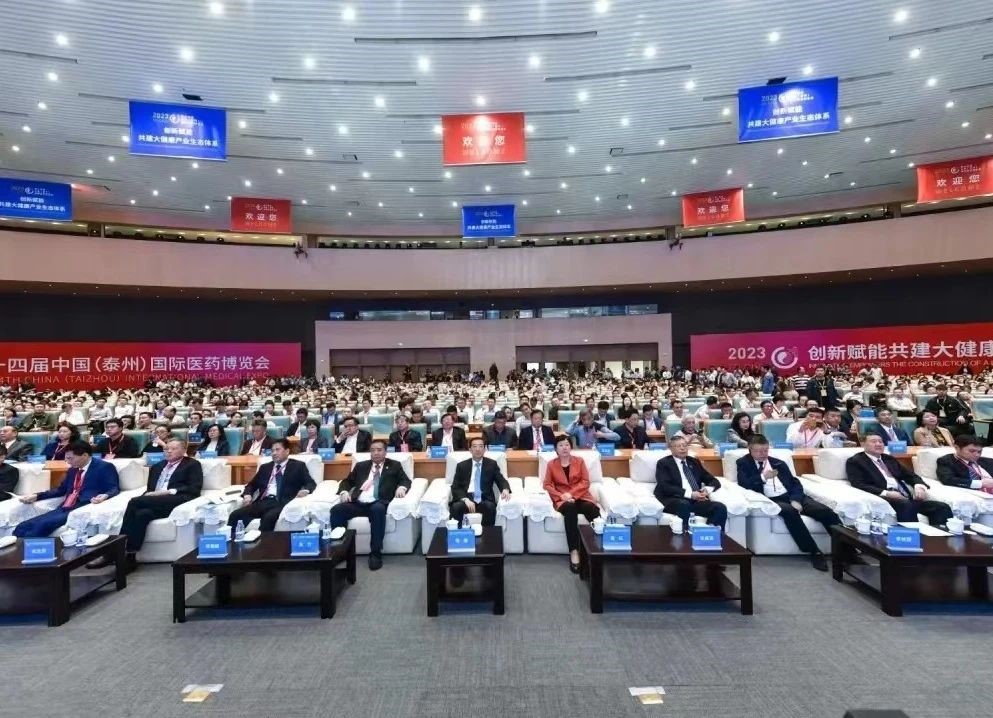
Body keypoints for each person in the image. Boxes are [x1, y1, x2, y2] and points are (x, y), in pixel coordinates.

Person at [88, 438, 203, 571]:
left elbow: (194, 488)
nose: (169, 451)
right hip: (155, 502)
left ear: (183, 450)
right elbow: (150, 490)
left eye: (173, 449)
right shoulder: (157, 466)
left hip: (177, 498)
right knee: (142, 515)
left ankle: (113, 551)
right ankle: (130, 557)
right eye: (166, 449)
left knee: (134, 502)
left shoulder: (192, 464)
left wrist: (167, 492)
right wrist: (150, 495)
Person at [735, 436, 837, 571]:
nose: (762, 454)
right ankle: (814, 552)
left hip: (791, 495)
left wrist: (796, 499)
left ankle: (846, 550)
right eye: (758, 451)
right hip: (772, 499)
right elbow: (744, 484)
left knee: (824, 511)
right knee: (790, 512)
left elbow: (795, 483)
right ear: (750, 449)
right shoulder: (743, 463)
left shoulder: (778, 463)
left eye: (765, 450)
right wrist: (763, 477)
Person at [330, 439, 410, 570]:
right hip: (358, 503)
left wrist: (402, 487)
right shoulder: (361, 466)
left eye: (379, 450)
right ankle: (340, 551)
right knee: (336, 510)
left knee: (378, 510)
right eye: (373, 450)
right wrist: (344, 492)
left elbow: (405, 480)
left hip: (379, 502)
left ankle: (375, 553)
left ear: (385, 452)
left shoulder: (394, 465)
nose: (376, 453)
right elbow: (347, 482)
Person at [13, 441, 119, 537]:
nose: (67, 461)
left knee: (41, 526)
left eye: (70, 458)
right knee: (23, 526)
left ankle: (26, 549)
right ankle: (16, 550)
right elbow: (61, 490)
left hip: (82, 507)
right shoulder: (72, 470)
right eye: (66, 458)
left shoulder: (104, 467)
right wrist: (37, 496)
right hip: (65, 506)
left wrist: (105, 496)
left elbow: (114, 488)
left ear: (85, 455)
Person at [846, 435, 952, 525]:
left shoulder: (888, 459)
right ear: (863, 444)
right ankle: (913, 540)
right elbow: (858, 483)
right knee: (905, 505)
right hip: (884, 498)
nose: (878, 444)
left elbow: (911, 475)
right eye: (873, 442)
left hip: (905, 497)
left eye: (880, 442)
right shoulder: (856, 461)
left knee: (941, 507)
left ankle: (940, 539)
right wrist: (886, 493)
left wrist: (919, 486)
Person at [227, 439, 315, 533]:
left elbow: (311, 483)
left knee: (268, 518)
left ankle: (262, 542)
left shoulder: (298, 466)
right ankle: (232, 541)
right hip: (263, 501)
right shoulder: (265, 467)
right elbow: (251, 485)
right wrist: (247, 495)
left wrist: (306, 490)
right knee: (235, 515)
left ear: (287, 451)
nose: (274, 453)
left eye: (277, 450)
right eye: (272, 451)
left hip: (282, 502)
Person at [543, 434, 600, 573]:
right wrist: (562, 495)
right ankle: (574, 551)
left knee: (592, 509)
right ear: (556, 449)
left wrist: (572, 494)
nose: (564, 448)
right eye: (561, 445)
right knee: (570, 509)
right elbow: (547, 485)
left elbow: (585, 482)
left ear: (571, 447)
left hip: (581, 496)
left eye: (567, 445)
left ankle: (598, 547)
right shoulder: (551, 464)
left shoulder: (579, 461)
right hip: (563, 500)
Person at [653, 435, 727, 530]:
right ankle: (685, 536)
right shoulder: (664, 463)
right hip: (674, 499)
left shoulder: (694, 462)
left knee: (720, 508)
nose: (682, 448)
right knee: (684, 505)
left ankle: (710, 534)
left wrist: (706, 490)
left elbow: (713, 480)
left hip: (697, 500)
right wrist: (690, 494)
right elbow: (665, 486)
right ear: (671, 449)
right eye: (678, 446)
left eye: (684, 445)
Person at [450, 437, 511, 527]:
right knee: (456, 507)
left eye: (480, 446)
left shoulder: (491, 464)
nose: (477, 449)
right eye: (474, 446)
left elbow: (500, 479)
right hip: (467, 498)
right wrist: (465, 499)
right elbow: (455, 486)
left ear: (485, 449)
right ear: (470, 450)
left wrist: (505, 489)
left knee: (490, 507)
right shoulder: (462, 466)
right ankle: (460, 533)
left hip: (485, 498)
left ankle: (487, 534)